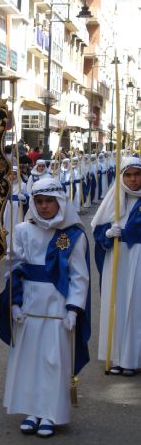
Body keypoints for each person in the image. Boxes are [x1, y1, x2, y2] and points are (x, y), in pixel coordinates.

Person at [0, 177, 90, 438]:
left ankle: (50, 412)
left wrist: (73, 309)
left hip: (58, 310)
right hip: (29, 309)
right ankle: (31, 410)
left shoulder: (73, 235)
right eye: (39, 201)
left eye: (50, 201)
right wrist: (13, 302)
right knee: (28, 361)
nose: (45, 206)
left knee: (53, 361)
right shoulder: (23, 230)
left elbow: (79, 276)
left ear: (60, 201)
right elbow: (14, 267)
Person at [91, 157, 141, 376]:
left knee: (136, 307)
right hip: (117, 258)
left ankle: (133, 358)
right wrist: (108, 233)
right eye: (128, 175)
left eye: (137, 174)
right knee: (117, 304)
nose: (133, 179)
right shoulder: (114, 199)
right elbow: (97, 229)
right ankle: (116, 356)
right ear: (121, 176)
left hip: (138, 259)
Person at [3, 166, 28, 253]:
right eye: (10, 174)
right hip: (7, 209)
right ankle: (6, 244)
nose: (12, 176)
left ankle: (15, 246)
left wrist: (24, 198)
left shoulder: (23, 185)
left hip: (17, 210)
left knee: (16, 226)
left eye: (14, 174)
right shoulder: (5, 184)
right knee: (6, 226)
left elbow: (28, 199)